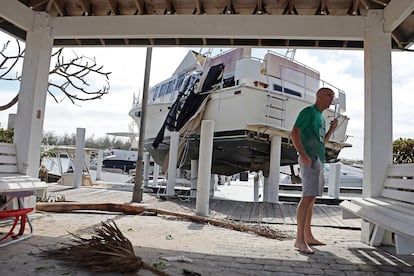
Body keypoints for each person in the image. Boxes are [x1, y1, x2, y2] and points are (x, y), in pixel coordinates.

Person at [290, 87, 338, 254]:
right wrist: (303, 156)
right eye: (328, 95)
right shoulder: (309, 111)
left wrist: (332, 130)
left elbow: (321, 142)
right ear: (318, 96)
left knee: (311, 200)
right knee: (306, 198)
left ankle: (308, 236)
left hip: (318, 160)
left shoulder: (321, 118)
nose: (331, 99)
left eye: (333, 96)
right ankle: (299, 240)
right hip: (309, 159)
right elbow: (294, 133)